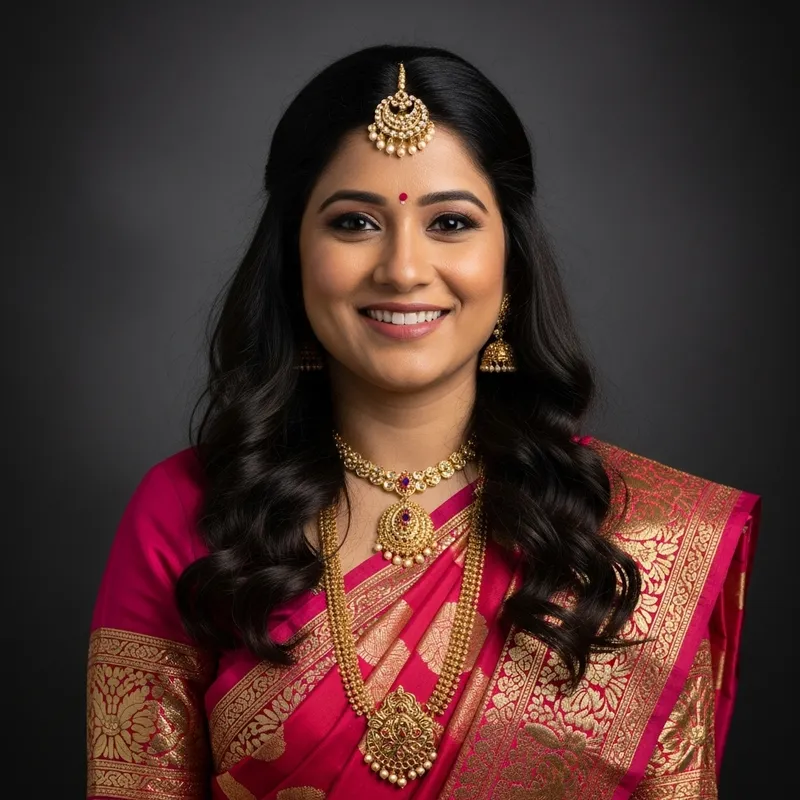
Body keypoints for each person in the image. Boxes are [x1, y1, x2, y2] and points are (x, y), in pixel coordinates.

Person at [85, 45, 760, 799]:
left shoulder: (639, 537)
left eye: (449, 221)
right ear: (291, 260)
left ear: (509, 263)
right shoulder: (188, 512)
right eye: (353, 222)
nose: (403, 269)